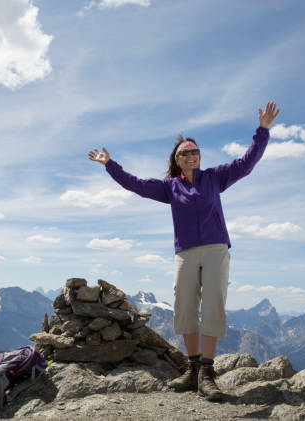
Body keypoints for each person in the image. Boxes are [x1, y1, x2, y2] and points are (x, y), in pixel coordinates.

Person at [88, 102, 280, 401]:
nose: (191, 155)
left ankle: (207, 372)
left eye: (195, 151)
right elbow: (136, 185)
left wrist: (262, 131)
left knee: (214, 305)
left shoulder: (215, 177)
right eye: (185, 153)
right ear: (176, 160)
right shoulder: (169, 188)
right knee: (185, 306)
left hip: (216, 248)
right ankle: (192, 369)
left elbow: (247, 162)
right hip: (185, 252)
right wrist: (109, 164)